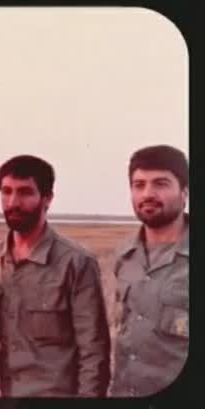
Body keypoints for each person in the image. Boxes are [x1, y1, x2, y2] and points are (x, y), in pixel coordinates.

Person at [0, 155, 110, 397]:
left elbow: (94, 352)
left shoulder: (75, 262)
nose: (13, 202)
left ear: (47, 198)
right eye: (6, 192)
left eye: (25, 192)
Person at [109, 145, 189, 397]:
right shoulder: (125, 256)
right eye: (139, 185)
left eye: (161, 184)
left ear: (184, 193)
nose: (147, 194)